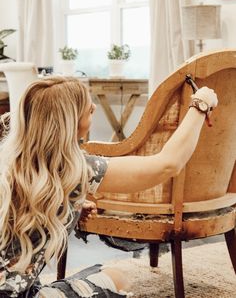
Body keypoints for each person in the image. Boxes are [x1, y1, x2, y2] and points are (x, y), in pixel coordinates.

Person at [0, 76, 218, 297]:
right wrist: (200, 104)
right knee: (115, 279)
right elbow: (166, 165)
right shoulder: (76, 169)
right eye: (88, 108)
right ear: (69, 122)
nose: (93, 106)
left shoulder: (9, 162)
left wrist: (66, 204)